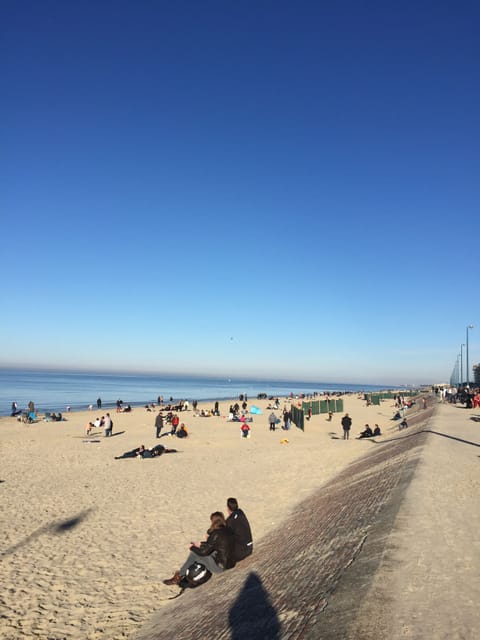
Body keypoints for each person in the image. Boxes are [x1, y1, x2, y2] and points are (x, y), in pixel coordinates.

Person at [163, 511, 236, 586]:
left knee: (194, 554)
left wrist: (192, 547)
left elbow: (204, 552)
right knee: (198, 557)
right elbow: (216, 545)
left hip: (221, 567)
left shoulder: (216, 534)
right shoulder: (228, 530)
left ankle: (179, 575)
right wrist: (201, 544)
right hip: (230, 563)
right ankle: (185, 574)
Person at [226, 497, 253, 562]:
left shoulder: (230, 520)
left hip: (242, 551)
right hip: (249, 547)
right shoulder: (241, 513)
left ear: (228, 508)